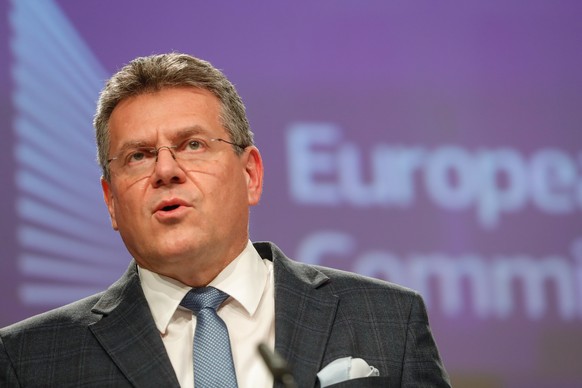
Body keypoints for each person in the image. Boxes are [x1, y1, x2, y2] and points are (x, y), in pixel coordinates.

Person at [0, 53, 451, 387]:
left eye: (193, 145)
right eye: (138, 156)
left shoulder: (388, 319)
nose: (165, 170)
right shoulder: (29, 359)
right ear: (111, 202)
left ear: (250, 174)